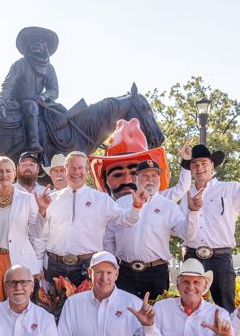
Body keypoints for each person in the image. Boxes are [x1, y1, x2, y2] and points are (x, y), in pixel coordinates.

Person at [179, 138, 240, 312]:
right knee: (189, 307)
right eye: (194, 164)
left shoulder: (229, 190)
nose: (199, 168)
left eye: (204, 163)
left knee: (226, 309)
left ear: (212, 165)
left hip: (220, 258)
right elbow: (183, 232)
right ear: (190, 168)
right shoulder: (183, 195)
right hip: (192, 256)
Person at [35, 151, 148, 285]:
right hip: (55, 267)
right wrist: (37, 265)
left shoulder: (101, 199)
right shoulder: (51, 199)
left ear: (87, 171)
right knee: (53, 307)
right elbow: (41, 236)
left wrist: (136, 206)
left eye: (80, 168)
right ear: (66, 170)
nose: (76, 172)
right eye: (72, 168)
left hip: (87, 267)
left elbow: (127, 220)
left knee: (88, 306)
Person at [105, 159, 199, 299]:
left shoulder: (169, 206)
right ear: (135, 179)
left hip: (156, 273)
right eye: (145, 176)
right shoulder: (120, 204)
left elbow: (187, 235)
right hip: (124, 272)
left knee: (155, 316)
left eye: (154, 176)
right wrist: (111, 266)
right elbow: (109, 238)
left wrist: (192, 212)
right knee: (124, 316)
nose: (150, 180)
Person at [0, 157, 43, 304]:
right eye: (0, 171)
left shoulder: (26, 199)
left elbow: (37, 233)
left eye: (8, 171)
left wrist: (42, 212)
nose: (4, 174)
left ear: (14, 173)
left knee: (19, 306)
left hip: (19, 259)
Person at [89, 119, 189, 202]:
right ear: (105, 181)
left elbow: (181, 189)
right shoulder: (102, 209)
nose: (127, 180)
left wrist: (185, 162)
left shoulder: (157, 201)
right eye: (118, 174)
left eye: (134, 173)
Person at [0, 26, 59, 152]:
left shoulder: (49, 68)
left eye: (39, 42)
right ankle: (33, 142)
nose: (35, 45)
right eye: (32, 43)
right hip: (20, 101)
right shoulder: (20, 64)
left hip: (41, 101)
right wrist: (1, 98)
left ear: (45, 46)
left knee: (59, 111)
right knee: (31, 106)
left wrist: (44, 96)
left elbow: (54, 90)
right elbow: (8, 85)